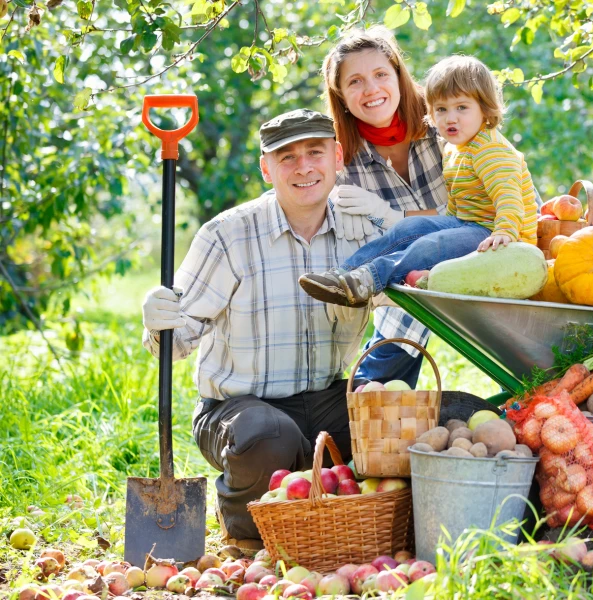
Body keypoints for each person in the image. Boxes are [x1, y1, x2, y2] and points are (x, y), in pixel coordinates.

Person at [140, 109, 372, 550]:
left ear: (337, 157)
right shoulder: (229, 235)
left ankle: (325, 501)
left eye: (314, 152)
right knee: (271, 436)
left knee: (392, 426)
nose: (303, 167)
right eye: (286, 157)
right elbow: (176, 344)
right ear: (266, 167)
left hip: (324, 398)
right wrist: (159, 322)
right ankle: (244, 528)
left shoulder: (361, 234)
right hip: (237, 411)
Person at [298, 54, 538, 309]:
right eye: (441, 110)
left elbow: (509, 197)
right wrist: (441, 225)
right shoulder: (455, 149)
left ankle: (368, 280)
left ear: (486, 109)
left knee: (431, 245)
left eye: (462, 108)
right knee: (408, 228)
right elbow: (456, 202)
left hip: (501, 238)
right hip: (469, 225)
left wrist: (505, 231)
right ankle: (344, 274)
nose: (450, 118)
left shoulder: (490, 150)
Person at [310, 26, 451, 389]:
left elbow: (478, 211)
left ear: (399, 76)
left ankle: (368, 387)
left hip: (479, 253)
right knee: (411, 294)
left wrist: (394, 217)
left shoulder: (444, 123)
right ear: (340, 96)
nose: (371, 90)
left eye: (380, 74)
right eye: (355, 82)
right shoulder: (342, 159)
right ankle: (373, 398)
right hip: (404, 285)